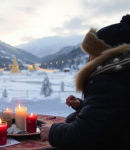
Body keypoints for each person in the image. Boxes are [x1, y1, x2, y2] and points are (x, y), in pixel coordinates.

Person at [40, 14, 130, 150]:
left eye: (91, 54)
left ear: (104, 55)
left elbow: (84, 135)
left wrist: (52, 132)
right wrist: (82, 106)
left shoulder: (110, 79)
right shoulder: (121, 77)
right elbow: (110, 116)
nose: (88, 60)